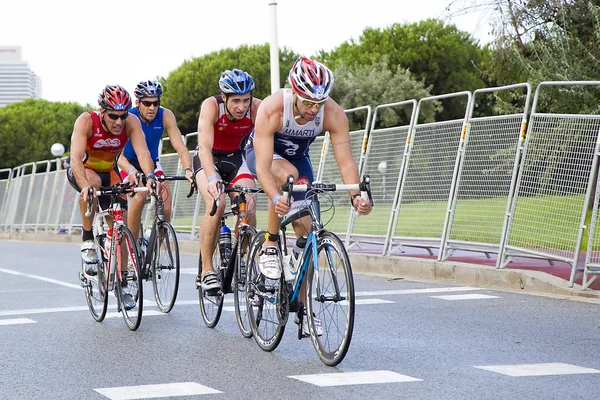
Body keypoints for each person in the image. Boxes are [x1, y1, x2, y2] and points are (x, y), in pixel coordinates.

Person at [246, 57, 373, 335]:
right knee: (288, 177)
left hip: (298, 158)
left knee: (307, 230)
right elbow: (264, 168)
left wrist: (356, 196)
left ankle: (302, 307)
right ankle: (269, 244)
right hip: (265, 156)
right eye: (308, 102)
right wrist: (274, 196)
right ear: (295, 92)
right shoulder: (272, 108)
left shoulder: (333, 113)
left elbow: (346, 162)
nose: (315, 109)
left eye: (320, 102)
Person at [67, 85, 156, 310]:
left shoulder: (131, 123)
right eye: (114, 116)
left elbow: (143, 153)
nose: (119, 122)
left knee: (120, 224)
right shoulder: (86, 121)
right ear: (102, 112)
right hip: (83, 170)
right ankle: (88, 241)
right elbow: (75, 158)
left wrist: (151, 176)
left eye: (123, 116)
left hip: (110, 171)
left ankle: (123, 281)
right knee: (93, 186)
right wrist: (84, 184)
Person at [194, 69, 262, 292]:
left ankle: (240, 257)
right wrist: (212, 177)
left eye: (245, 100)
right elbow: (203, 146)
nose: (241, 107)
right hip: (208, 159)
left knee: (249, 206)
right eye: (235, 101)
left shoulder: (257, 109)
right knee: (217, 203)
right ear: (224, 98)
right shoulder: (211, 106)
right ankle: (207, 270)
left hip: (235, 158)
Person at [117, 80, 194, 241]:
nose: (152, 108)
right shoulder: (128, 117)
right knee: (139, 197)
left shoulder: (165, 115)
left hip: (151, 162)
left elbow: (180, 146)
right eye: (147, 103)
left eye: (156, 103)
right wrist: (132, 171)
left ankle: (155, 247)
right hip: (128, 162)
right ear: (137, 102)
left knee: (165, 204)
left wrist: (188, 169)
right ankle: (133, 246)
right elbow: (117, 153)